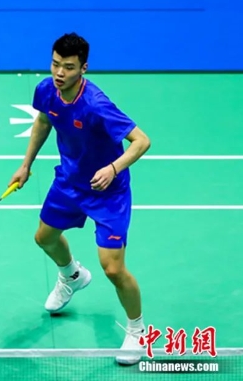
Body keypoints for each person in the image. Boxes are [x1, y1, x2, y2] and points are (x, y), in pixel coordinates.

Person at [8, 33, 151, 365]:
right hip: (70, 181)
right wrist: (26, 164)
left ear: (83, 68)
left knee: (113, 269)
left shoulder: (96, 104)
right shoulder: (47, 89)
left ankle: (137, 330)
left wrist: (113, 168)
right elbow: (44, 120)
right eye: (55, 64)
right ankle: (72, 276)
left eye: (69, 67)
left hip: (107, 192)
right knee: (44, 238)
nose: (60, 73)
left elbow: (142, 141)